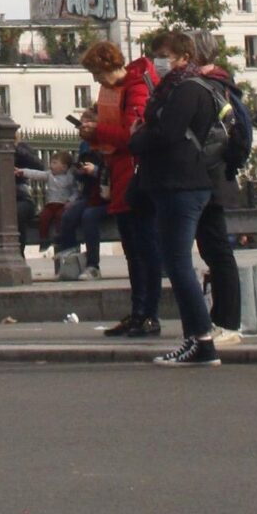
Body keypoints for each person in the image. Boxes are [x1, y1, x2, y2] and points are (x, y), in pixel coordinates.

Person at [131, 27, 223, 367]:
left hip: (181, 183)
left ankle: (201, 340)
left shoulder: (186, 90)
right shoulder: (177, 88)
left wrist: (138, 137)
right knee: (176, 262)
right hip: (177, 182)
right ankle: (195, 339)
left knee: (179, 264)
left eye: (165, 54)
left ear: (184, 57)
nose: (159, 61)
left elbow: (167, 134)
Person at [83, 38, 161, 337]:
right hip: (122, 175)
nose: (96, 79)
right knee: (134, 249)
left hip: (135, 177)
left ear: (108, 65)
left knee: (143, 249)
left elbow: (132, 135)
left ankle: (147, 312)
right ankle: (139, 311)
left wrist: (98, 130)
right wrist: (95, 130)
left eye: (96, 72)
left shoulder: (136, 88)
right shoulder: (118, 89)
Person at [190, 30, 251, 339]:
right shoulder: (223, 84)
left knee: (217, 250)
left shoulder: (208, 87)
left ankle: (228, 321)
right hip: (219, 175)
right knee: (214, 249)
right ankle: (224, 318)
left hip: (210, 175)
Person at [53, 128, 105, 277]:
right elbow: (81, 180)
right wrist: (80, 172)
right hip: (90, 195)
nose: (83, 126)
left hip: (106, 197)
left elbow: (110, 171)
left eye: (87, 122)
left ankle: (93, 264)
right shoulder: (84, 146)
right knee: (68, 216)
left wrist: (95, 170)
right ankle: (71, 261)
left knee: (89, 216)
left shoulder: (106, 145)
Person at [37, 143, 77, 253]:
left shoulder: (70, 178)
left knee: (61, 217)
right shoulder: (49, 175)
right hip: (51, 204)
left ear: (64, 167)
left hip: (62, 205)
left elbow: (75, 192)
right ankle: (44, 239)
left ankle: (60, 237)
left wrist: (70, 201)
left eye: (54, 163)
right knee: (44, 217)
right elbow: (36, 174)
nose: (51, 165)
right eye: (51, 162)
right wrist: (23, 172)